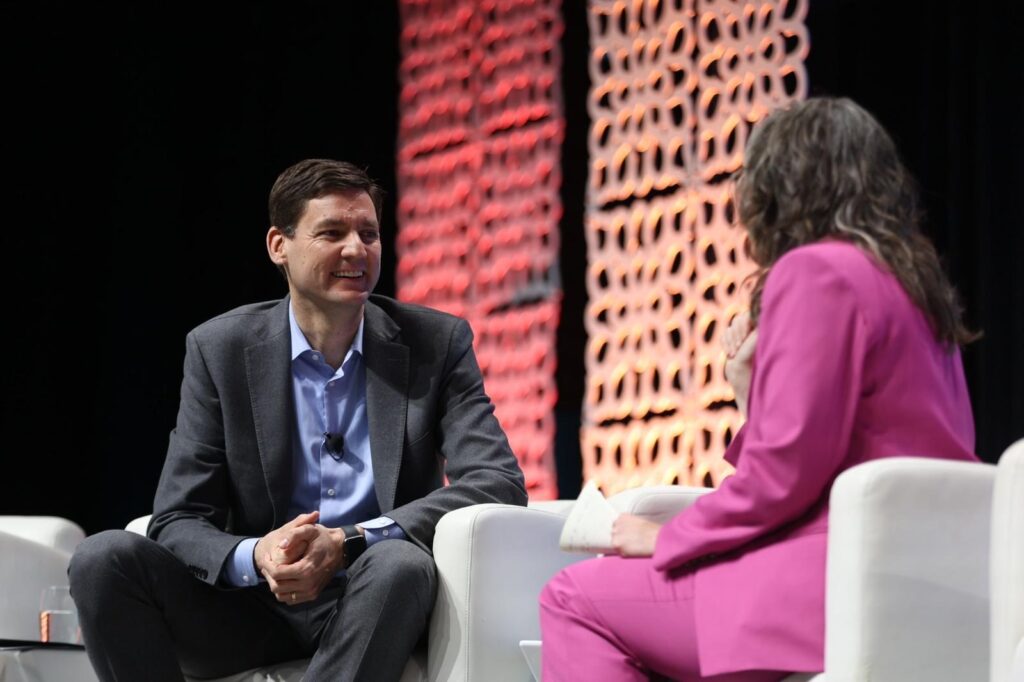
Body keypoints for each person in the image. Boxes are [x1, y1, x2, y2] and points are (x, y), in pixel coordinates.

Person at [539, 97, 980, 681]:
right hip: (931, 580)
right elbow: (836, 452)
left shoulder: (816, 272)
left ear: (776, 188)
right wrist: (749, 380)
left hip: (829, 582)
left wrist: (669, 535)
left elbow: (782, 474)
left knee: (573, 597)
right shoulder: (915, 286)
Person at [68, 158, 528, 681]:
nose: (357, 249)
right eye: (332, 232)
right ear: (278, 246)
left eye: (369, 233)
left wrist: (351, 540)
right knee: (101, 558)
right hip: (251, 606)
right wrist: (258, 555)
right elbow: (177, 519)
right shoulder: (220, 349)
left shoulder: (436, 343)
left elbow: (497, 482)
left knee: (399, 563)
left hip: (374, 598)